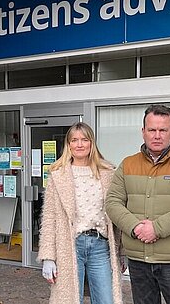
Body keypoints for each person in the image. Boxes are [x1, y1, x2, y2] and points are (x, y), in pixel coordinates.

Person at [105, 104, 170, 304]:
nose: (157, 135)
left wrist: (156, 229)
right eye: (152, 130)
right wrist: (134, 227)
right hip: (139, 259)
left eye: (163, 130)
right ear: (143, 132)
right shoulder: (128, 164)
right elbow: (113, 202)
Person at [38, 122, 125, 304]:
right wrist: (48, 257)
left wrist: (122, 251)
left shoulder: (108, 172)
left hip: (100, 246)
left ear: (91, 143)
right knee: (69, 299)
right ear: (68, 144)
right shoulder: (58, 175)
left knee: (106, 300)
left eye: (84, 140)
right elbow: (49, 217)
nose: (79, 144)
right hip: (69, 246)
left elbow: (118, 213)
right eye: (74, 140)